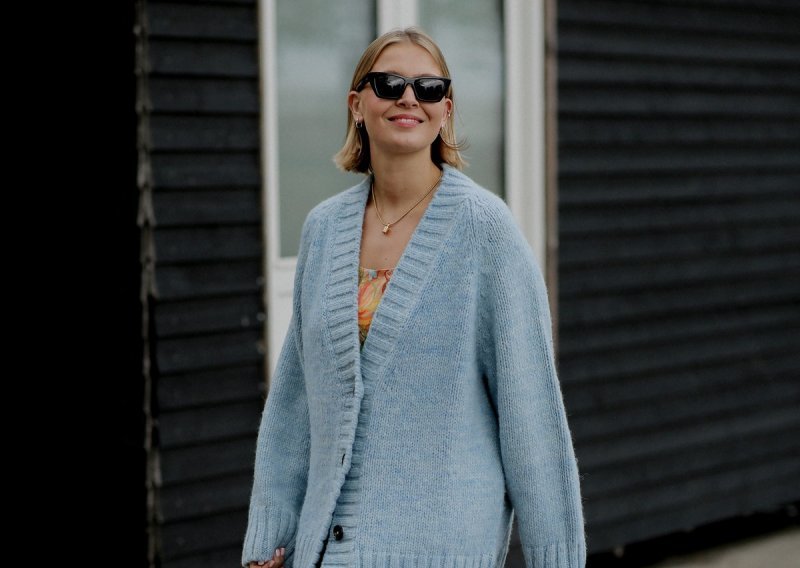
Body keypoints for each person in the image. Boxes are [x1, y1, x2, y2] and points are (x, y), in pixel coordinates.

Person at [242, 27, 586, 568]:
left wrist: (557, 557)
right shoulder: (323, 230)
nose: (409, 98)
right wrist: (271, 532)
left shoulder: (485, 231)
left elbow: (531, 412)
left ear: (445, 110)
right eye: (389, 83)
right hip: (324, 550)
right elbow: (295, 402)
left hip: (440, 548)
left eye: (428, 88)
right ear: (357, 105)